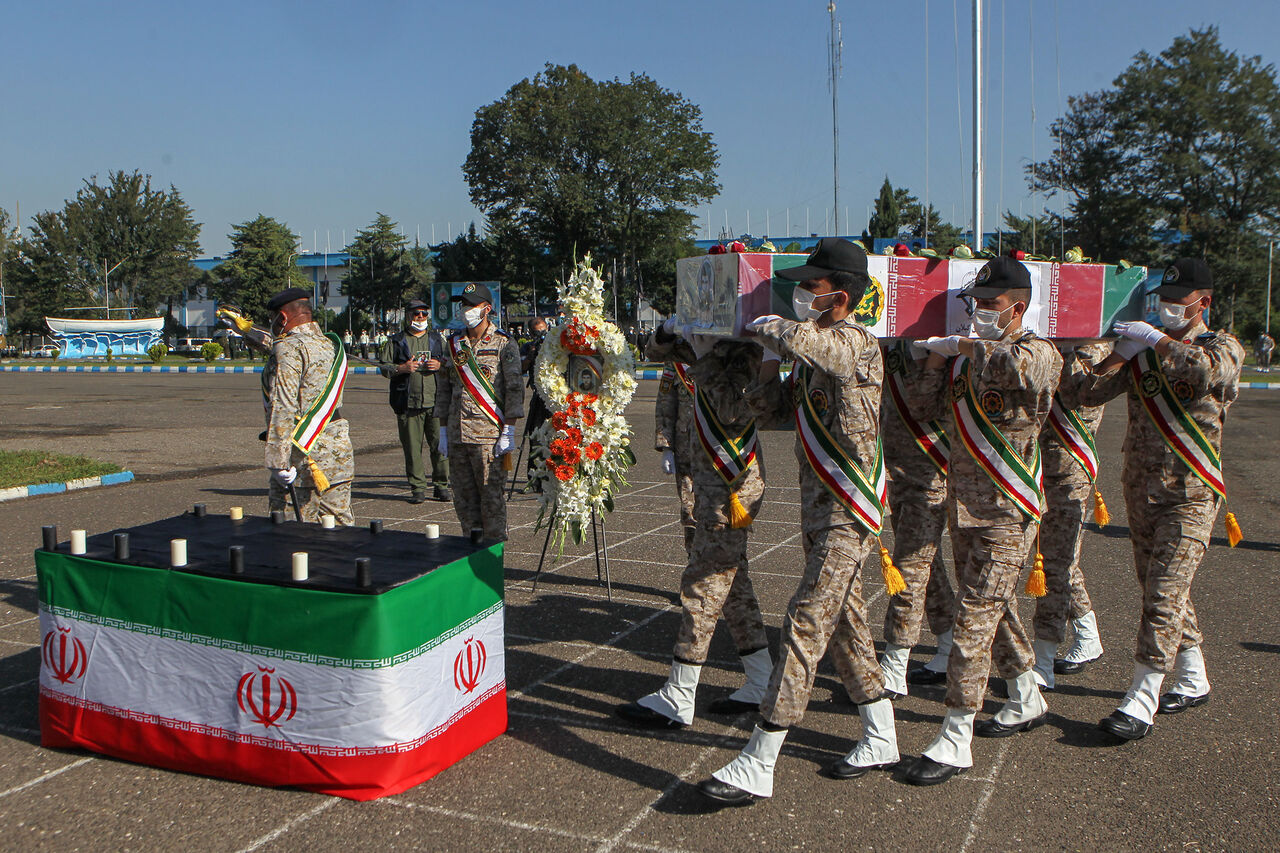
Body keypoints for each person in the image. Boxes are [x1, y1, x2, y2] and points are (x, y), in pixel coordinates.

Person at [697, 238, 899, 805]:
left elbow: (825, 351)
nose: (800, 294)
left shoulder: (855, 342)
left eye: (810, 286)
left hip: (848, 513)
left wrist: (779, 330)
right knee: (848, 623)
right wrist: (759, 364)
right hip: (820, 510)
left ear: (842, 294)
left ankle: (760, 756)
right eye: (801, 286)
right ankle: (881, 733)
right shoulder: (809, 356)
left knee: (806, 622)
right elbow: (776, 413)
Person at [902, 256, 1062, 786]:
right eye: (975, 303)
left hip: (1007, 512)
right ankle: (1025, 695)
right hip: (964, 507)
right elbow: (924, 408)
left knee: (973, 620)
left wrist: (965, 348)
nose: (978, 313)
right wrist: (930, 359)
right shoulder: (969, 358)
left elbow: (1017, 372)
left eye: (989, 305)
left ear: (1017, 307)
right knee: (1000, 614)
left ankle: (955, 734)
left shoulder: (1037, 352)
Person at [1076, 258, 1244, 741]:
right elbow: (1087, 392)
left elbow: (1206, 371)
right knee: (1161, 589)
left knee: (1164, 594)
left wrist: (1154, 339)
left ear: (1203, 303)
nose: (1168, 310)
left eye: (1177, 303)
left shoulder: (1223, 346)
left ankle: (1141, 697)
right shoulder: (1145, 351)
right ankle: (1193, 678)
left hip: (1191, 493)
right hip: (1142, 490)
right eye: (1163, 302)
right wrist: (1111, 350)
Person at [616, 330, 772, 729]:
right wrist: (672, 332)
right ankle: (760, 678)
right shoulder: (707, 342)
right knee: (735, 589)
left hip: (730, 487)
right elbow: (652, 352)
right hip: (706, 482)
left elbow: (732, 410)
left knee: (702, 584)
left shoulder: (747, 352)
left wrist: (703, 356)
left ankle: (680, 693)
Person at [1029, 342, 1112, 690]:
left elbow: (1081, 394)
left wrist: (1059, 350)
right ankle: (1088, 633)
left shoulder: (1093, 351)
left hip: (1069, 470)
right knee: (1059, 561)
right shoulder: (1044, 344)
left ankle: (1044, 661)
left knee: (1057, 563)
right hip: (1039, 467)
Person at [877, 340, 957, 695]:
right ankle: (949, 643)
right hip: (897, 469)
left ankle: (895, 663)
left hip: (931, 472)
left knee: (909, 565)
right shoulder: (887, 340)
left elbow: (925, 405)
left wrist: (928, 357)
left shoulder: (946, 345)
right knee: (929, 566)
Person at [435, 283, 523, 541]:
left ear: (487, 309)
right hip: (457, 435)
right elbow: (444, 388)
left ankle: (493, 559)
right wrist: (442, 429)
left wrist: (509, 429)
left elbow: (514, 388)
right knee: (464, 501)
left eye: (471, 305)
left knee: (491, 501)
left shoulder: (503, 344)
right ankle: (470, 553)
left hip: (488, 437)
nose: (465, 310)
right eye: (463, 305)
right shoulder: (453, 343)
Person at [263, 288, 354, 525]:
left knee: (291, 539)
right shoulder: (330, 344)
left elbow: (283, 404)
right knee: (341, 532)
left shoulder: (288, 348)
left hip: (303, 458)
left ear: (282, 318)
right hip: (336, 452)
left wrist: (278, 461)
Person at [379, 299, 451, 504]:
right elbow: (384, 366)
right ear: (407, 315)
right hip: (407, 403)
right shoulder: (396, 340)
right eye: (415, 314)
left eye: (424, 314)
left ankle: (441, 485)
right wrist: (401, 369)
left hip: (435, 402)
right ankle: (418, 487)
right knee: (412, 449)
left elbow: (451, 362)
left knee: (440, 447)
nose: (420, 318)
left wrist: (440, 364)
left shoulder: (438, 340)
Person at [653, 354, 697, 551]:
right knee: (691, 514)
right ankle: (694, 568)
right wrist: (666, 446)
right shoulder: (676, 359)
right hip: (686, 450)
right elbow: (666, 403)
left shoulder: (725, 348)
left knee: (722, 516)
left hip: (721, 453)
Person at [519, 318, 551, 492]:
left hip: (555, 398)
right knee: (536, 439)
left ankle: (553, 477)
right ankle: (535, 479)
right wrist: (531, 356)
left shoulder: (554, 347)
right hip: (538, 398)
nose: (542, 336)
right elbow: (521, 369)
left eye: (544, 331)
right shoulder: (527, 347)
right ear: (531, 333)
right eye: (537, 332)